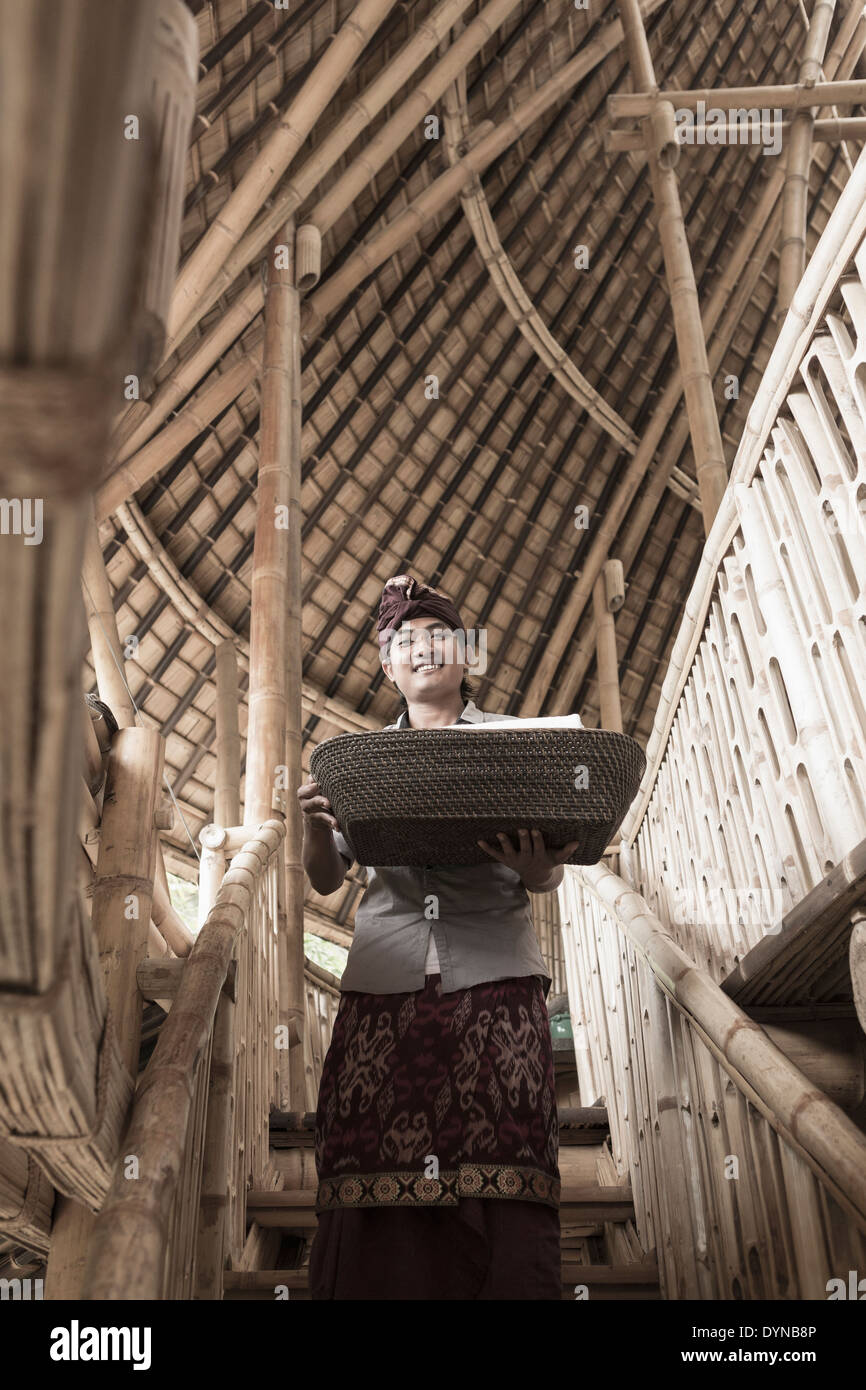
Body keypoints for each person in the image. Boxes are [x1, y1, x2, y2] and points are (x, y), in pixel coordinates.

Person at [298, 574, 580, 1299]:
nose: (421, 649)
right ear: (387, 666)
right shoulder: (356, 761)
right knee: (367, 1143)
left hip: (496, 972)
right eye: (404, 641)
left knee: (505, 1142)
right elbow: (327, 881)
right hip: (383, 976)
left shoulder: (520, 746)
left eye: (438, 636)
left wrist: (538, 867)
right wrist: (316, 828)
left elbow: (545, 875)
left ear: (466, 658)